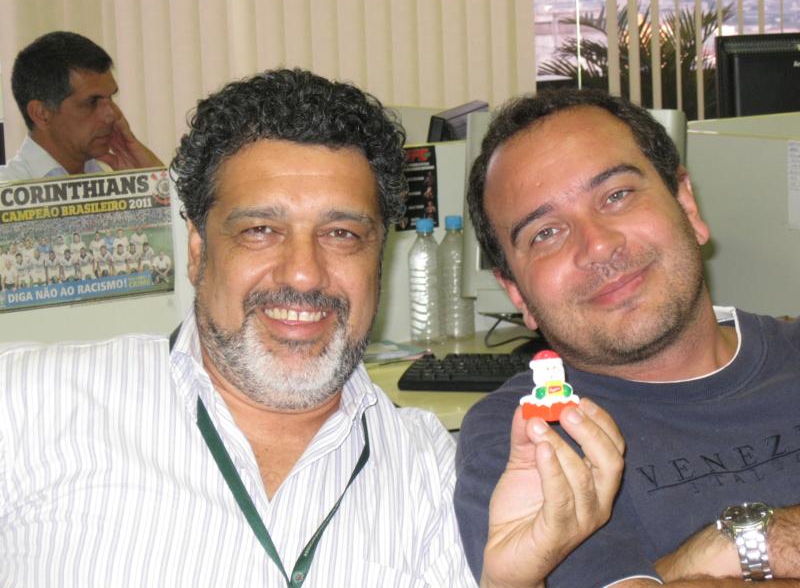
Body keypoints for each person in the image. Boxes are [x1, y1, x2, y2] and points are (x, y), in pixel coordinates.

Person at [0, 69, 625, 587]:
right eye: (260, 230)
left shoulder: (429, 469)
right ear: (197, 250)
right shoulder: (29, 403)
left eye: (341, 233)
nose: (303, 273)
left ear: (378, 258)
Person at [455, 88, 800, 586]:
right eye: (545, 233)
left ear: (687, 205)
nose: (597, 245)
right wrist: (753, 541)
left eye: (616, 196)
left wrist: (734, 548)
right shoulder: (529, 441)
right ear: (516, 294)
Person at [0, 31, 162, 183]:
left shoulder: (114, 177)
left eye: (111, 98)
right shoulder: (7, 191)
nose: (112, 114)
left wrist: (150, 180)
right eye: (92, 102)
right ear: (41, 114)